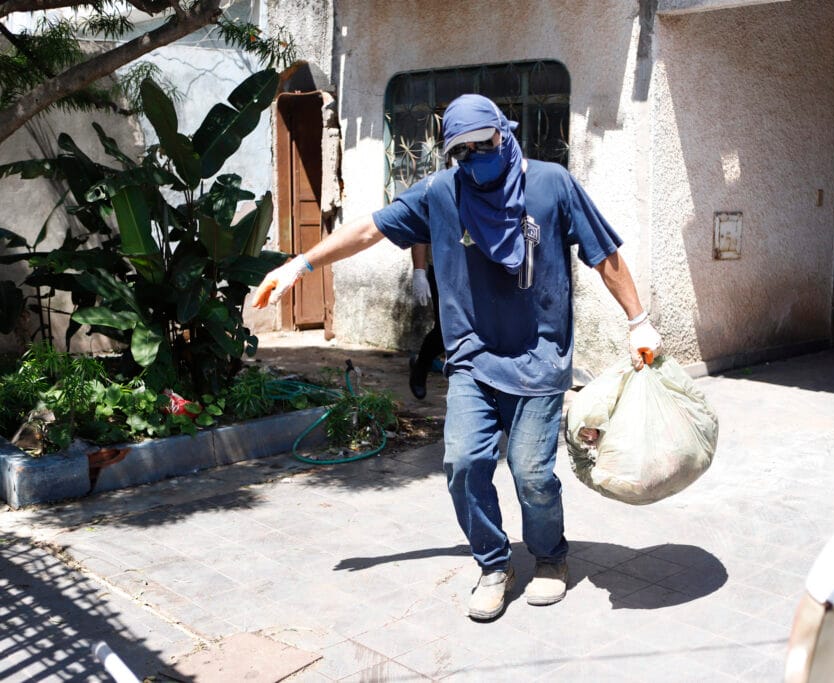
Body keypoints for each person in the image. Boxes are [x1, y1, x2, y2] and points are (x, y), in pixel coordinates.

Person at [254, 94, 662, 621]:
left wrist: (637, 321)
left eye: (483, 145)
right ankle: (494, 564)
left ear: (504, 134)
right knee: (464, 464)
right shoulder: (442, 193)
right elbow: (368, 228)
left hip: (539, 357)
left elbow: (603, 254)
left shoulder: (551, 183)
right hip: (472, 357)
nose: (474, 159)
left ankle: (550, 558)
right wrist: (301, 264)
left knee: (531, 473)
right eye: (460, 152)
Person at [408, 243, 443, 399]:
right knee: (445, 330)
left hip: (481, 267)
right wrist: (419, 272)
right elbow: (419, 233)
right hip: (443, 268)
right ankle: (421, 367)